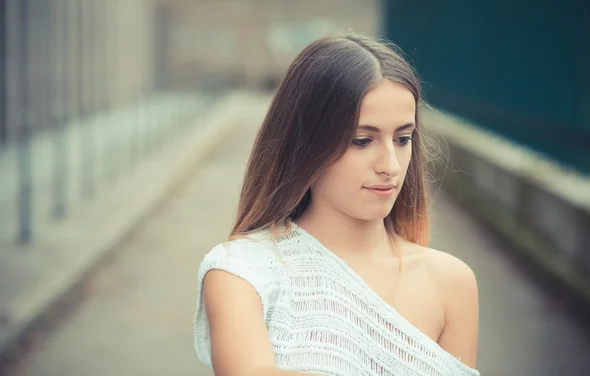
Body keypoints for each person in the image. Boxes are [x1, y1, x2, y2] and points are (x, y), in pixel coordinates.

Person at [193, 32, 480, 376]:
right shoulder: (242, 272)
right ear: (307, 143)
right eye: (361, 141)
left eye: (403, 139)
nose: (390, 165)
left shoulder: (451, 282)